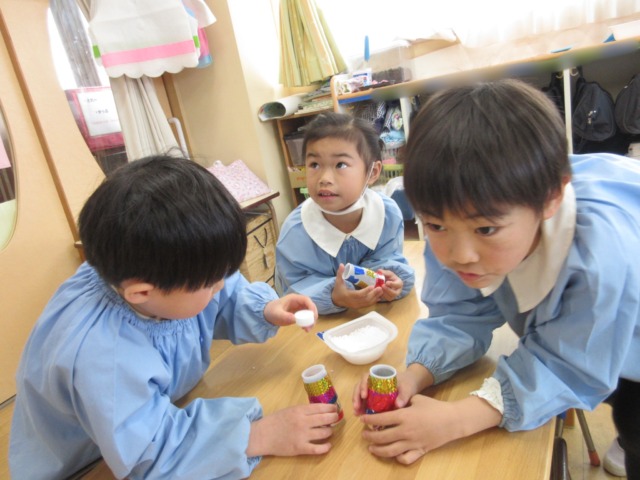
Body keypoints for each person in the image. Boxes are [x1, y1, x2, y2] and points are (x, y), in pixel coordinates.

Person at [351, 79, 640, 477]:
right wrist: (415, 375)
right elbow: (459, 313)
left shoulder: (601, 254)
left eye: (486, 229)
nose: (460, 255)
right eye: (434, 225)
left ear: (551, 200)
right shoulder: (460, 217)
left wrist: (455, 420)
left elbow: (569, 364)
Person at [10, 155, 339, 480]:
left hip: (142, 424)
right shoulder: (101, 354)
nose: (221, 285)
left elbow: (223, 297)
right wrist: (259, 435)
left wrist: (265, 309)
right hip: (91, 464)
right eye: (210, 283)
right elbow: (150, 454)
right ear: (142, 293)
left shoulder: (152, 275)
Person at [275, 112, 415, 315]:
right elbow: (295, 288)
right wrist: (333, 297)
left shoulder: (387, 214)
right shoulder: (295, 231)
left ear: (373, 172)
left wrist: (391, 281)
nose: (324, 178)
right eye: (314, 164)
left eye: (340, 164)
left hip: (372, 315)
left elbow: (390, 259)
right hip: (314, 323)